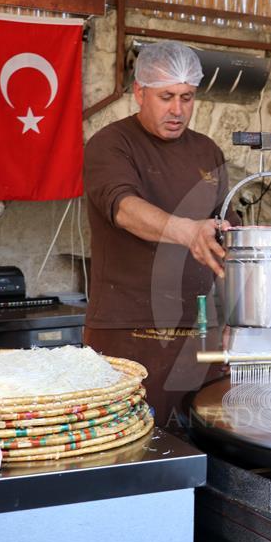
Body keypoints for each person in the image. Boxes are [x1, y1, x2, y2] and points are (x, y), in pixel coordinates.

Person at [83, 41, 236, 428]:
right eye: (166, 96)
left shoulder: (208, 152)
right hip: (128, 334)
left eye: (187, 97)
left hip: (199, 335)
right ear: (139, 92)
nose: (177, 109)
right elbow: (123, 208)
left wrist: (238, 314)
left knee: (207, 445)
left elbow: (227, 235)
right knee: (133, 452)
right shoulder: (111, 144)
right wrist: (187, 231)